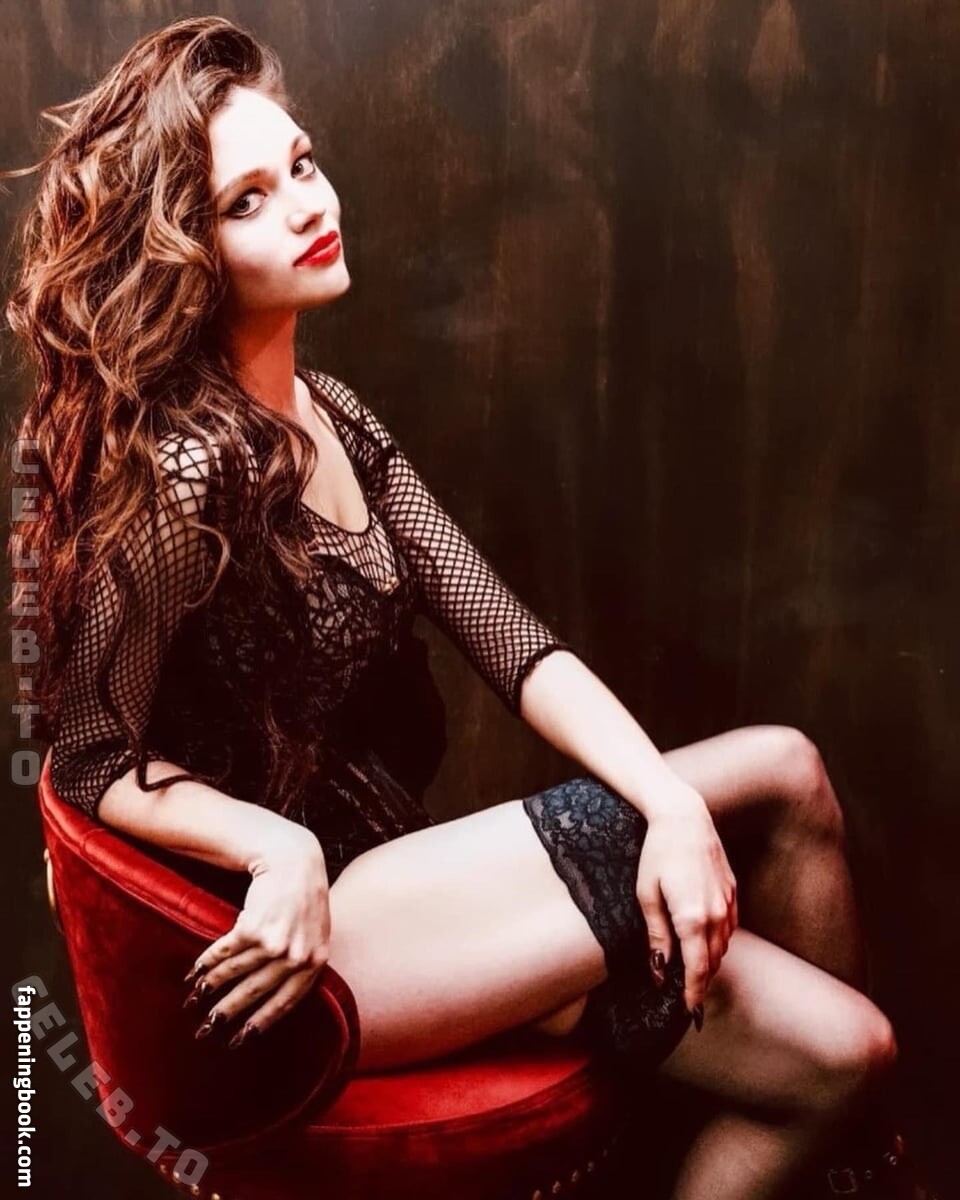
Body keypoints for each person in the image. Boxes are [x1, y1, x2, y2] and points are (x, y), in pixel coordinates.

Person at [2, 17, 937, 1200]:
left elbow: (514, 644)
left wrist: (668, 805)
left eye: (301, 164)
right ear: (188, 255)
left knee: (841, 1031)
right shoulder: (188, 477)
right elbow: (88, 761)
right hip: (289, 949)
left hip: (409, 891)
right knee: (745, 832)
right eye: (248, 202)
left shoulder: (335, 417)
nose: (305, 204)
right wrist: (274, 845)